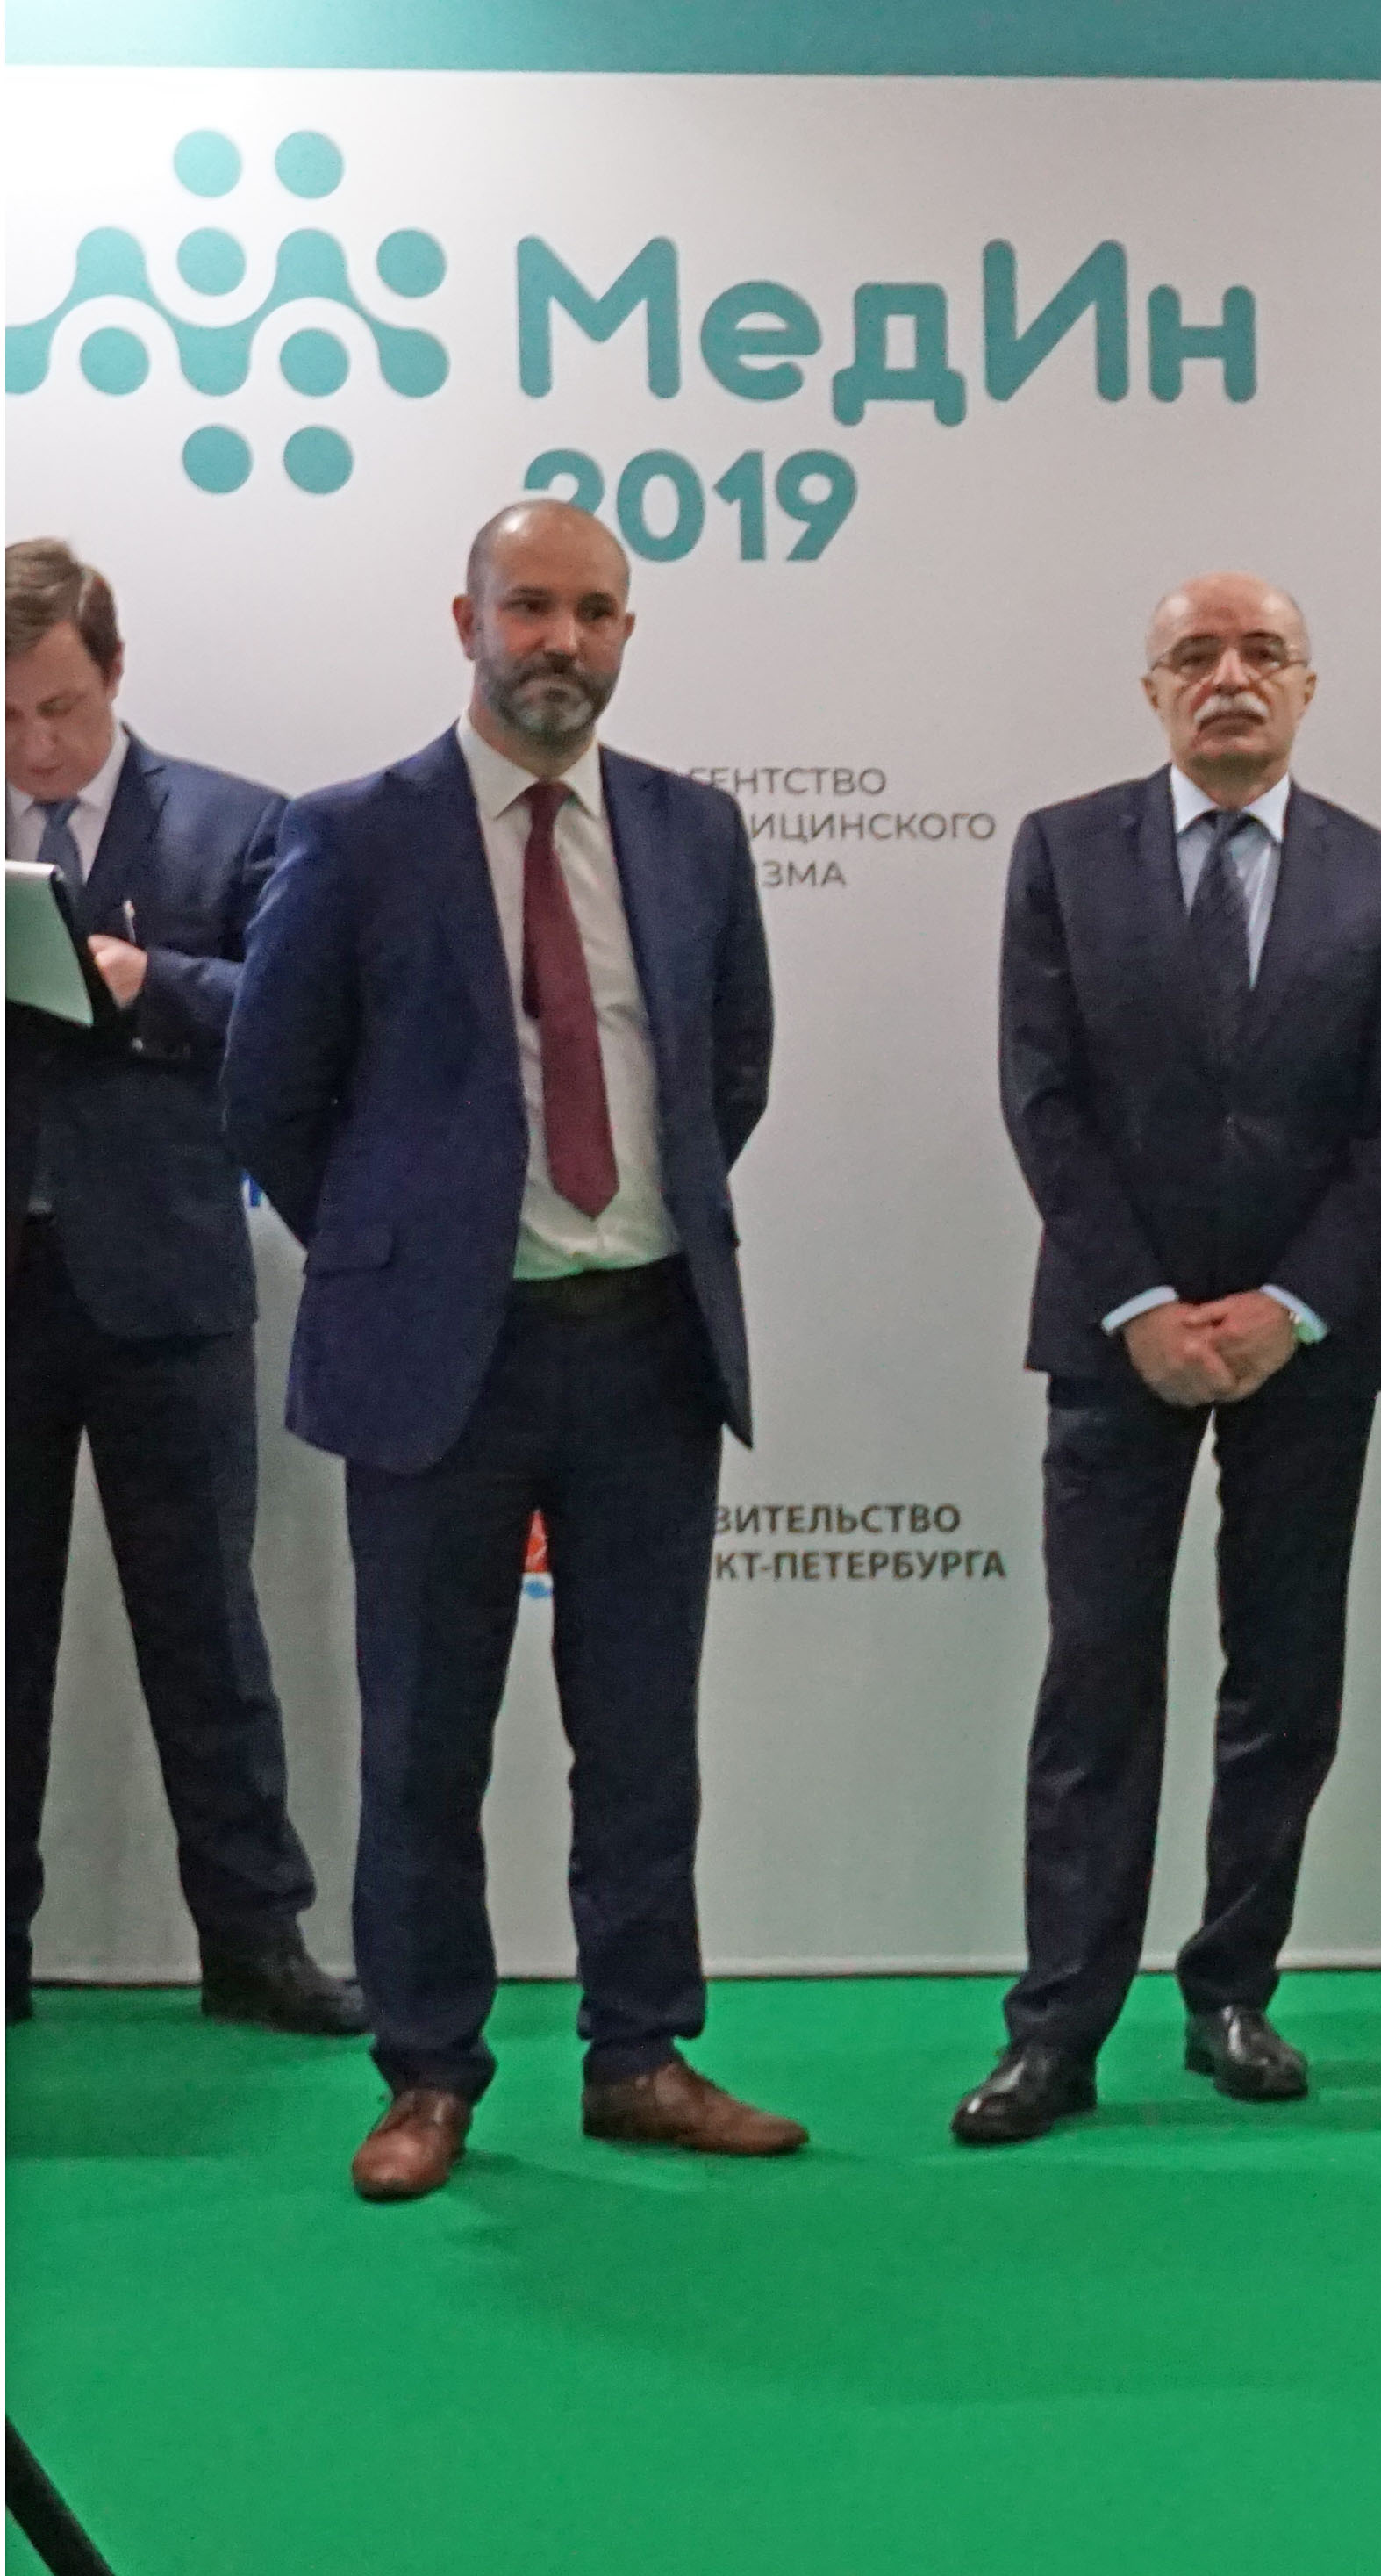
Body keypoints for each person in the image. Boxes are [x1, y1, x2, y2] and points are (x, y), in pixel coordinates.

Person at [225, 497, 795, 2202]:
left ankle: (641, 2054)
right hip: (437, 1363)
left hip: (647, 1345)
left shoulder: (693, 831)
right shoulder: (354, 834)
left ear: (627, 634)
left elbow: (731, 1069)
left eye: (594, 613)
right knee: (424, 1738)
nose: (562, 642)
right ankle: (427, 2073)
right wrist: (408, 1254)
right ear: (465, 620)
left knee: (642, 1733)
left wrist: (614, 1232)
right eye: (530, 607)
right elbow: (273, 1094)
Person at [952, 575, 1381, 2144]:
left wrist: (1290, 1305)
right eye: (1195, 656)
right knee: (1097, 1679)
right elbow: (1042, 1099)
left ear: (1308, 685)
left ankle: (1233, 1988)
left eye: (1262, 655)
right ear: (1152, 688)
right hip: (1118, 1339)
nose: (1230, 678)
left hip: (1310, 1341)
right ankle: (1057, 2028)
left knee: (1283, 1680)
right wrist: (1141, 1307)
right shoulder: (1062, 852)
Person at [6, 539, 349, 2034]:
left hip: (167, 1283)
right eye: (7, 718)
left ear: (115, 672)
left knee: (207, 1625)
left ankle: (255, 1942)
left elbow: (297, 1018)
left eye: (60, 710)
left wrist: (160, 988)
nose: (36, 747)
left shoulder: (234, 824)